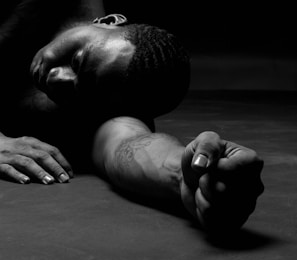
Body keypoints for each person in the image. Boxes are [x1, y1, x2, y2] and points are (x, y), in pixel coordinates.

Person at [0, 0, 264, 232]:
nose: (57, 80)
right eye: (78, 60)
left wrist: (187, 175)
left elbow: (126, 142)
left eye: (81, 95)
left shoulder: (103, 104)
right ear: (109, 22)